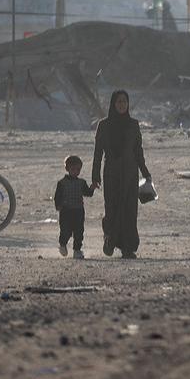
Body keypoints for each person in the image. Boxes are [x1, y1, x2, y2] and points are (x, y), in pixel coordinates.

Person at [91, 90, 151, 259]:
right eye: (119, 102)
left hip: (130, 174)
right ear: (113, 104)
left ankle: (128, 248)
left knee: (129, 210)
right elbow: (97, 153)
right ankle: (109, 238)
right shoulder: (104, 125)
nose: (122, 105)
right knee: (112, 208)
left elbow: (138, 152)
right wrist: (95, 176)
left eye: (125, 101)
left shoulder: (133, 125)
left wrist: (145, 173)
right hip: (111, 173)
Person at [54, 155, 95, 259]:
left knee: (79, 231)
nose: (76, 171)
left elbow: (88, 193)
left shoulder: (81, 182)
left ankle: (77, 250)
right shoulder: (62, 183)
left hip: (78, 211)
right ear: (67, 169)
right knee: (65, 230)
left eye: (78, 169)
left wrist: (92, 188)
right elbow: (57, 196)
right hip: (66, 211)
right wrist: (58, 205)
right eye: (73, 169)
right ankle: (62, 244)